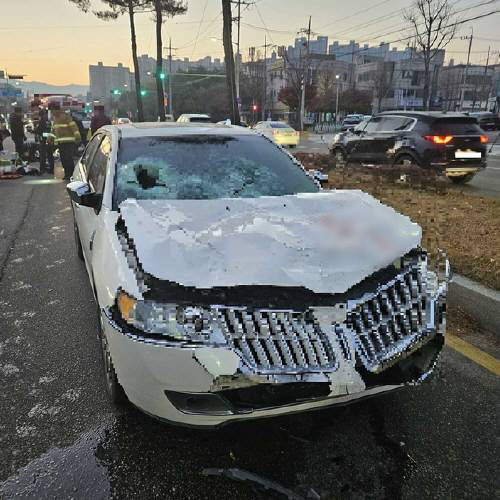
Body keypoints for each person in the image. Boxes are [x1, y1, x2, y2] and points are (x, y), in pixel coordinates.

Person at [51, 106, 81, 180]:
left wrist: (77, 137)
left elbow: (74, 127)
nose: (52, 113)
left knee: (68, 158)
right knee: (64, 159)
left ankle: (71, 174)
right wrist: (50, 138)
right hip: (61, 142)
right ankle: (67, 174)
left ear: (57, 110)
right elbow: (53, 130)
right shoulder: (55, 119)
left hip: (69, 142)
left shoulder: (65, 117)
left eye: (53, 111)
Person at [35, 108, 54, 174]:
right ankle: (51, 169)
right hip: (50, 139)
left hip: (44, 139)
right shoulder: (50, 118)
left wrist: (35, 131)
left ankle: (42, 169)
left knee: (42, 154)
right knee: (50, 154)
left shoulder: (43, 119)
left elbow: (40, 129)